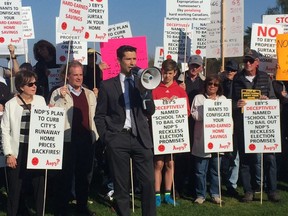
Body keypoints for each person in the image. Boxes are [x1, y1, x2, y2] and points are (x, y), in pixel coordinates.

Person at [95, 45, 156, 216]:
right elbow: (99, 116)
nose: (132, 63)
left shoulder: (143, 82)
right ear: (119, 61)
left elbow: (150, 111)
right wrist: (107, 138)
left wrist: (145, 94)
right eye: (128, 59)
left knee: (148, 182)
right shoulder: (107, 85)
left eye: (134, 59)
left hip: (141, 138)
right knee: (121, 185)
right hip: (118, 138)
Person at [49, 61, 98, 216]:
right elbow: (51, 115)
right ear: (67, 76)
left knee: (84, 177)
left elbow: (95, 116)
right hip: (67, 141)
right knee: (65, 177)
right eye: (75, 75)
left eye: (80, 74)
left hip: (86, 140)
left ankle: (82, 207)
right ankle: (61, 208)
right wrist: (59, 100)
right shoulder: (57, 93)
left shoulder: (90, 93)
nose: (78, 78)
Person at [231, 49, 280, 202]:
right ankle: (249, 191)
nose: (247, 63)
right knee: (246, 159)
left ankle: (272, 190)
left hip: (264, 125)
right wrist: (236, 104)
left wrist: (267, 100)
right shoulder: (237, 79)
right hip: (243, 124)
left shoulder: (266, 78)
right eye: (246, 60)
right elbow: (229, 101)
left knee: (270, 158)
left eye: (251, 61)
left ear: (257, 62)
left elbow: (273, 99)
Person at [1, 70, 46, 216]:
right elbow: (5, 130)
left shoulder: (41, 100)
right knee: (14, 188)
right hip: (18, 149)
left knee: (39, 185)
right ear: (21, 87)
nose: (34, 86)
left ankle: (40, 212)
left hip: (37, 149)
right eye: (30, 84)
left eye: (35, 83)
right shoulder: (11, 104)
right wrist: (9, 154)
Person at [152, 59, 190, 207]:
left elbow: (186, 111)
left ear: (175, 73)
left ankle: (167, 194)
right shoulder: (155, 89)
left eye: (170, 73)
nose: (167, 76)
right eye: (164, 73)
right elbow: (150, 110)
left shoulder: (180, 90)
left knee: (170, 163)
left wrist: (175, 105)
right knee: (158, 163)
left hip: (174, 132)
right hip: (160, 132)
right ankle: (156, 195)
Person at [191, 75, 225, 205]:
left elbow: (227, 118)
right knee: (200, 171)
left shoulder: (223, 99)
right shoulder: (199, 98)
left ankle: (215, 194)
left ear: (218, 87)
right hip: (202, 140)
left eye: (215, 84)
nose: (212, 86)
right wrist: (208, 104)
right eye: (210, 84)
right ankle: (200, 194)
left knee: (215, 170)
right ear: (205, 85)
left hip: (217, 139)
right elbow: (195, 116)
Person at [175, 55, 205, 198]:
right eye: (192, 65)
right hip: (182, 121)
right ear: (188, 66)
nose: (194, 68)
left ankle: (193, 187)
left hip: (197, 123)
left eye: (197, 66)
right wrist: (178, 89)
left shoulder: (204, 82)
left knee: (195, 156)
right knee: (181, 156)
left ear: (201, 67)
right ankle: (178, 187)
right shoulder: (179, 80)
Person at [221, 60, 240, 197]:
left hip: (237, 122)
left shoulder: (240, 84)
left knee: (235, 156)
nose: (230, 72)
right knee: (222, 154)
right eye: (228, 69)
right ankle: (220, 181)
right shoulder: (219, 83)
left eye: (232, 70)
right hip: (221, 122)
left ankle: (232, 184)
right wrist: (233, 105)